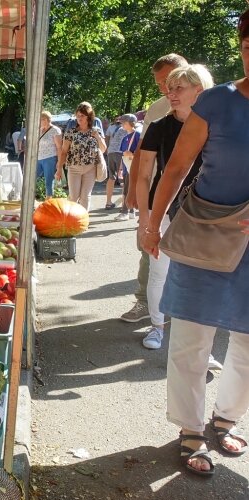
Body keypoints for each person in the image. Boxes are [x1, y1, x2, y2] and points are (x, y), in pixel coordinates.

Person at [140, 13, 249, 476]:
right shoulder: (217, 102)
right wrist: (151, 224)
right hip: (204, 230)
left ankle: (225, 419)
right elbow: (176, 167)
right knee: (190, 337)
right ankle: (189, 428)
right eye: (247, 42)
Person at [135, 65, 213, 351]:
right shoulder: (160, 127)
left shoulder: (217, 126)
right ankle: (157, 326)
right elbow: (144, 175)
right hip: (164, 208)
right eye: (170, 88)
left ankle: (199, 345)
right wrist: (145, 217)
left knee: (200, 278)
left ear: (199, 90)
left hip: (206, 213)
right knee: (160, 271)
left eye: (179, 88)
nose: (171, 93)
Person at [119, 53, 188, 324]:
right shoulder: (158, 109)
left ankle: (180, 313)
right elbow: (142, 153)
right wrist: (134, 191)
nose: (164, 88)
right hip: (162, 192)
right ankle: (145, 302)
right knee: (151, 250)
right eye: (160, 83)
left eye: (168, 81)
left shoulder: (210, 101)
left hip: (198, 199)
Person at [56, 102, 106, 211]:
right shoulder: (70, 132)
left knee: (85, 197)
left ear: (89, 117)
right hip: (74, 168)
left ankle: (82, 222)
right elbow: (64, 152)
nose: (79, 118)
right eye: (78, 116)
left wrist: (97, 136)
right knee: (73, 197)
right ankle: (71, 219)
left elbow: (103, 149)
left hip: (90, 168)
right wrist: (59, 169)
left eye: (82, 115)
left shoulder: (95, 131)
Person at [114, 114, 141, 221]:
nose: (123, 125)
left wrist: (132, 154)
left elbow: (142, 153)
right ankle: (131, 211)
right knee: (127, 189)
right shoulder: (125, 137)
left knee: (127, 190)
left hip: (134, 167)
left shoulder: (138, 135)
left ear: (131, 123)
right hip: (127, 167)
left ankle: (125, 212)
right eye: (122, 122)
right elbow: (123, 154)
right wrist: (120, 168)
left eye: (124, 122)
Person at [37, 111, 63, 198]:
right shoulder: (39, 130)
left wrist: (59, 163)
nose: (39, 121)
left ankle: (49, 201)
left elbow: (59, 147)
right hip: (38, 158)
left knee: (48, 181)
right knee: (32, 178)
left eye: (41, 119)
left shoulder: (55, 130)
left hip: (50, 158)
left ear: (46, 120)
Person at [104, 116, 127, 209]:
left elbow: (107, 139)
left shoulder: (111, 127)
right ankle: (124, 205)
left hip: (111, 152)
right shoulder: (127, 128)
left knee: (111, 177)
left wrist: (107, 149)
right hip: (121, 153)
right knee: (123, 178)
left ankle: (108, 202)